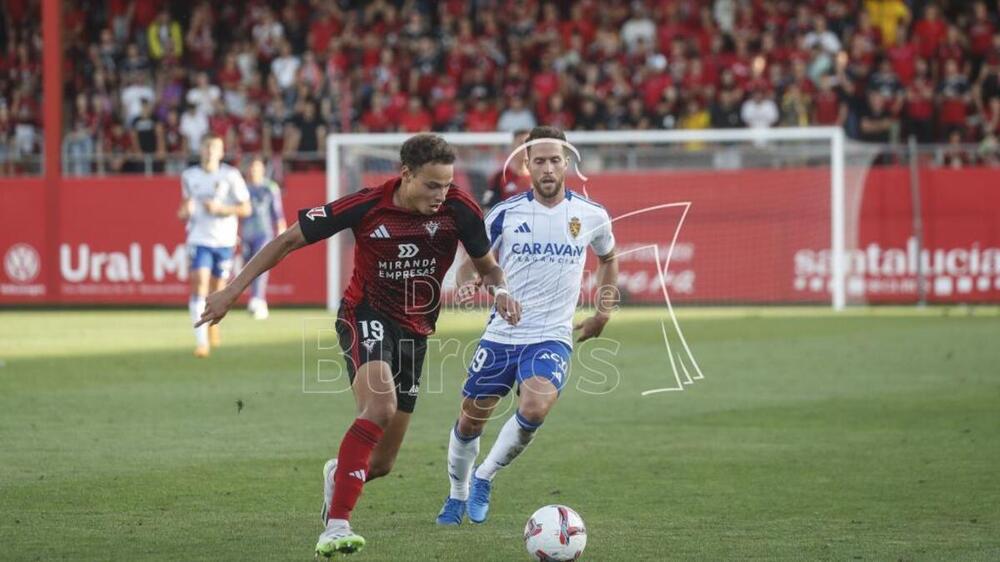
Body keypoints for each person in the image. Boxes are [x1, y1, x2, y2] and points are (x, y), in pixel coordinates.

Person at [195, 134, 522, 557]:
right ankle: (336, 526)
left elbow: (488, 268)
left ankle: (339, 474)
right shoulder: (366, 204)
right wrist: (231, 291)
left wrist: (501, 292)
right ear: (405, 175)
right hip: (365, 315)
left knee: (382, 464)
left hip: (416, 334)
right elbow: (287, 240)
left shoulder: (460, 209)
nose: (442, 195)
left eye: (446, 184)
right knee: (379, 407)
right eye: (431, 185)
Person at [434, 126, 618, 526]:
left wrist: (603, 311)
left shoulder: (591, 215)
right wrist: (468, 281)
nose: (548, 168)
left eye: (555, 160)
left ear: (566, 163)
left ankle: (485, 477)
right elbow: (475, 261)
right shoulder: (506, 212)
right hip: (502, 333)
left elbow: (608, 258)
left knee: (535, 406)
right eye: (540, 161)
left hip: (551, 335)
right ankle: (457, 495)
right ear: (526, 165)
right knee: (470, 419)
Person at [179, 134, 251, 357]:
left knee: (218, 287)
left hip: (224, 240)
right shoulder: (189, 176)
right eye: (207, 147)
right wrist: (186, 211)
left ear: (221, 152)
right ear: (201, 149)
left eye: (215, 148)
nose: (210, 151)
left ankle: (214, 325)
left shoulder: (230, 175)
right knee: (199, 282)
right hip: (199, 239)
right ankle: (202, 342)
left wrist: (221, 210)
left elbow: (246, 209)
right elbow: (183, 210)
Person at [240, 156, 286, 319]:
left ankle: (257, 299)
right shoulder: (242, 188)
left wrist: (281, 229)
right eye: (251, 168)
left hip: (264, 233)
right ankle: (259, 301)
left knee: (259, 265)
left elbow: (277, 211)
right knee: (246, 268)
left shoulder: (270, 188)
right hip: (245, 234)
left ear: (262, 170)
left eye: (257, 168)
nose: (253, 171)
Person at [481, 129, 532, 210]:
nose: (524, 148)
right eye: (521, 143)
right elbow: (487, 208)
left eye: (528, 144)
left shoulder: (538, 178)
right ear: (513, 147)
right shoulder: (499, 177)